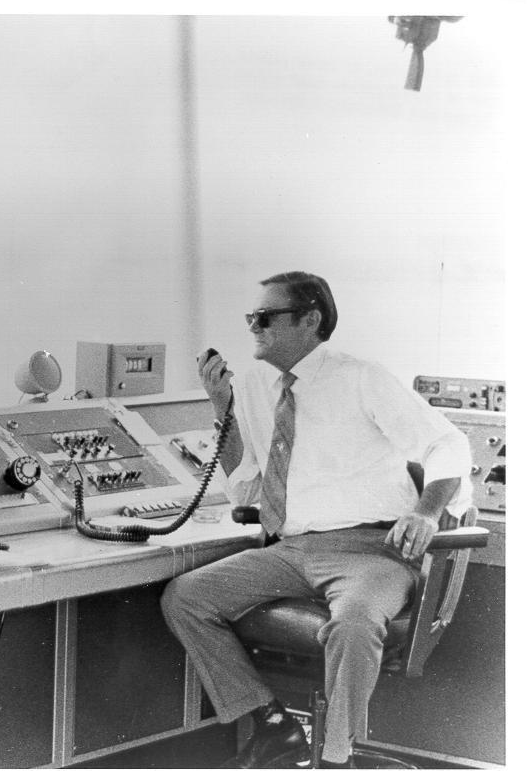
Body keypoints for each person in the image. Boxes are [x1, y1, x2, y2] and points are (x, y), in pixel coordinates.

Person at [160, 271, 472, 768]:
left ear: (310, 320)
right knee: (187, 597)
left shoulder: (361, 377)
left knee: (353, 623)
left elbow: (448, 444)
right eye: (250, 318)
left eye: (265, 317)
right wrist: (222, 406)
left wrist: (426, 511)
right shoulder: (260, 385)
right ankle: (271, 723)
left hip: (371, 550)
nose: (254, 327)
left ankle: (335, 757)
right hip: (291, 548)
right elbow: (246, 478)